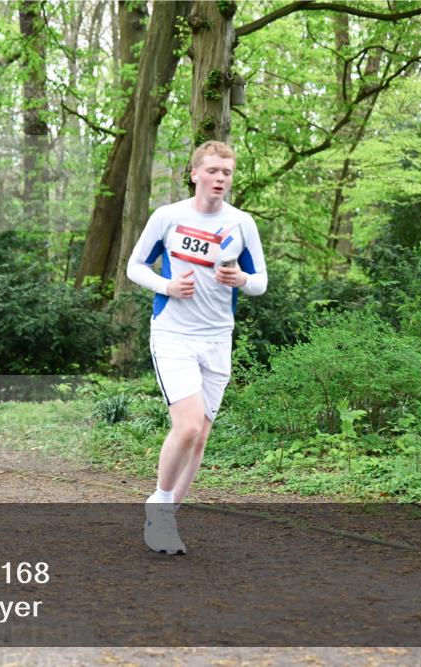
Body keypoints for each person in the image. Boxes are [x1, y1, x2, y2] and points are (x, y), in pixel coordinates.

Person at [126, 141, 268, 554]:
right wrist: (167, 285)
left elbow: (260, 282)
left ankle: (167, 519)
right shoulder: (168, 216)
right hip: (173, 334)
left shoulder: (242, 223)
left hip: (217, 339)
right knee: (186, 426)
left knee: (201, 437)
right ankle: (159, 503)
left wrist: (241, 280)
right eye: (213, 171)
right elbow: (135, 266)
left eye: (227, 172)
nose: (221, 178)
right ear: (195, 173)